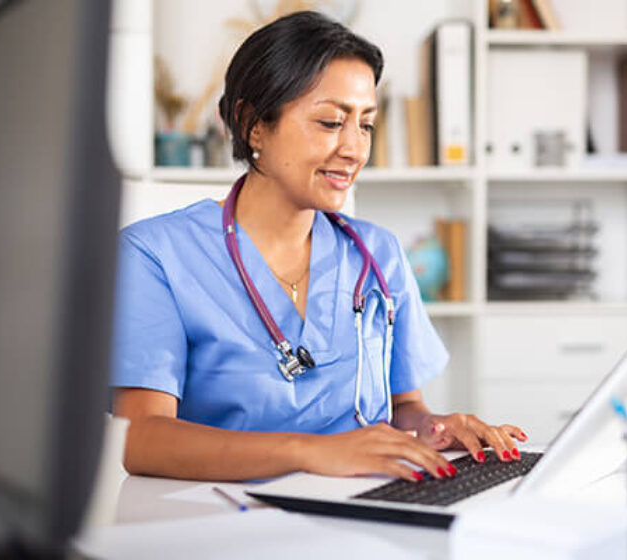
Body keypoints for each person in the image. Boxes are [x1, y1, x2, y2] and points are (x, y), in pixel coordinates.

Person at [112, 10, 527, 482]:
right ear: (253, 125)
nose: (355, 149)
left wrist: (432, 428)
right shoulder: (155, 256)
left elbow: (402, 408)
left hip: (358, 512)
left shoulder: (378, 254)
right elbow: (142, 439)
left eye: (366, 125)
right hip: (219, 524)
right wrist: (311, 452)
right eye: (331, 122)